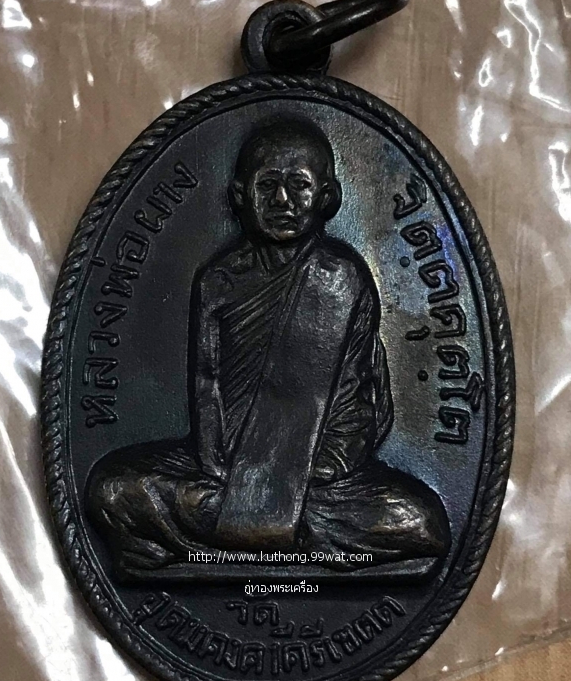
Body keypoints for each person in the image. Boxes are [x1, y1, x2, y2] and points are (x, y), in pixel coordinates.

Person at [87, 119, 450, 573]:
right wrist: (223, 469)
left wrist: (313, 471)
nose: (282, 201)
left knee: (420, 521)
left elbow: (361, 397)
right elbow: (207, 389)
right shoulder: (219, 281)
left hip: (317, 475)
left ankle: (224, 542)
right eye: (267, 185)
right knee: (110, 489)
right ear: (240, 196)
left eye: (299, 185)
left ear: (327, 197)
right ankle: (280, 538)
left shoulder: (342, 277)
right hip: (224, 471)